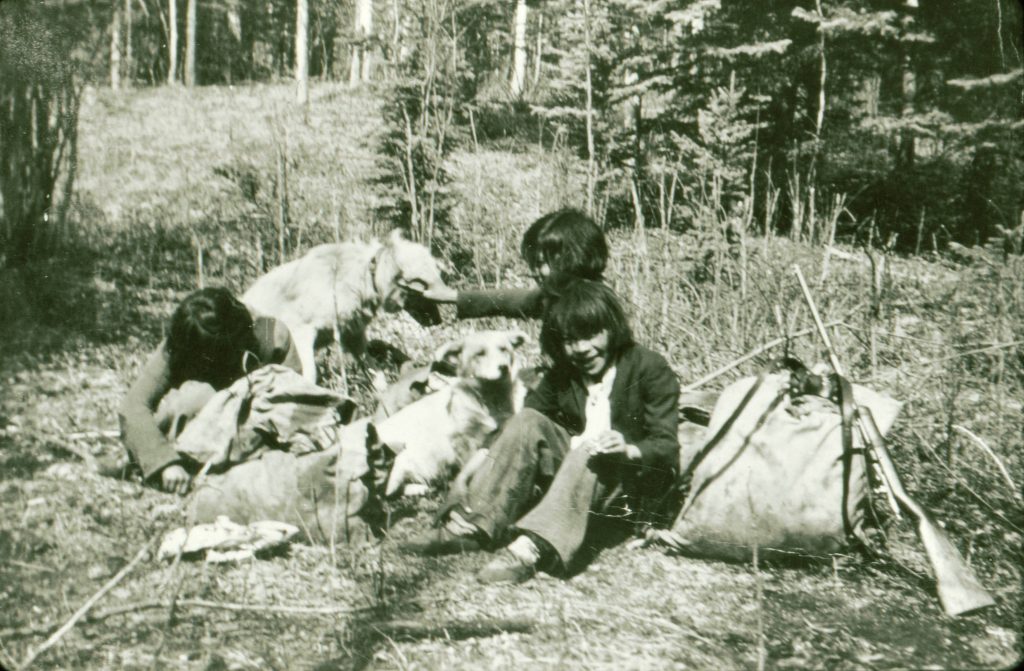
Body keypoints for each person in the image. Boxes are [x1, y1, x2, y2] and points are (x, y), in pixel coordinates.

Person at [403, 280, 680, 584]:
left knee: (589, 448)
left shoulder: (648, 367)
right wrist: (473, 466)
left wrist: (628, 448)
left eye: (591, 335)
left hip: (625, 490)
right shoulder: (564, 373)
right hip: (573, 479)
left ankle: (532, 547)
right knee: (527, 420)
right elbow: (522, 423)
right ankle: (475, 526)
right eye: (570, 340)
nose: (582, 348)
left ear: (612, 328)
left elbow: (666, 445)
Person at [119, 287, 302, 494]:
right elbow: (134, 405)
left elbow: (295, 406)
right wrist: (164, 462)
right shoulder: (187, 335)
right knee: (194, 397)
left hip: (253, 432)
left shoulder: (270, 334)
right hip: (189, 434)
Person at [420, 208, 609, 320]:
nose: (535, 272)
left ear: (572, 258)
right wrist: (452, 296)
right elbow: (514, 300)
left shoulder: (588, 307)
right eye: (532, 264)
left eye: (541, 263)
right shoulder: (561, 294)